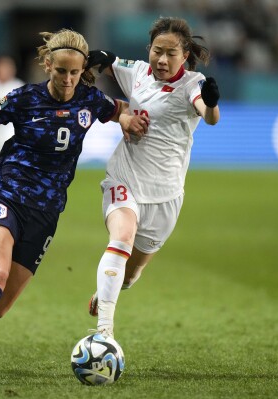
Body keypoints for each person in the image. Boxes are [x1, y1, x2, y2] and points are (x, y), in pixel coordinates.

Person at [0, 28, 147, 381]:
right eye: (61, 71)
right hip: (5, 193)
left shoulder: (89, 100)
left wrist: (125, 119)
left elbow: (119, 110)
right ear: (48, 65)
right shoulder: (23, 99)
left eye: (75, 73)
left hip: (44, 213)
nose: (67, 79)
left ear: (82, 71)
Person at [85, 16, 221, 338]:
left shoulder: (192, 84)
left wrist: (213, 104)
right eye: (156, 51)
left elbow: (209, 116)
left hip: (165, 195)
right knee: (122, 237)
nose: (161, 60)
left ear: (184, 55)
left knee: (131, 274)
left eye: (170, 53)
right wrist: (93, 57)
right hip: (125, 177)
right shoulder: (138, 72)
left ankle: (110, 288)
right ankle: (104, 333)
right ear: (149, 49)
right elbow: (109, 62)